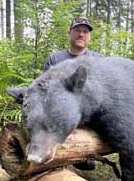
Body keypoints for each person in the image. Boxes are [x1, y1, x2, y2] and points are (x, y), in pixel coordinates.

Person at [43, 17, 102, 170]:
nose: (81, 34)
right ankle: (53, 157)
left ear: (89, 36)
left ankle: (83, 153)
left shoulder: (98, 60)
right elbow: (45, 88)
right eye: (77, 30)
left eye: (85, 31)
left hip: (88, 110)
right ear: (70, 33)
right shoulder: (55, 59)